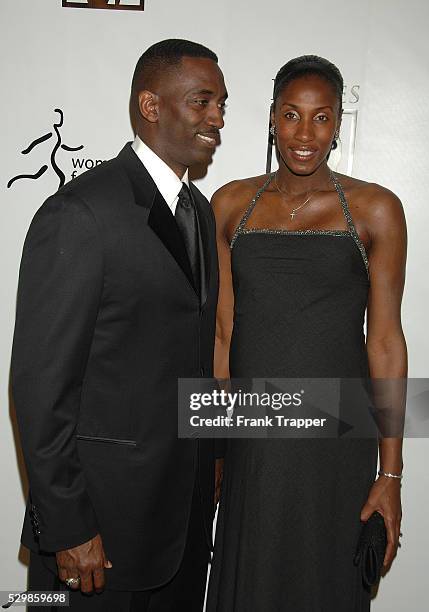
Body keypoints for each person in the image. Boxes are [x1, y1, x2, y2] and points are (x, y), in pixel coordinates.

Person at [11, 38, 228, 611]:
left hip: (179, 528)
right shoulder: (80, 213)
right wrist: (68, 527)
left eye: (222, 104)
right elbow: (40, 388)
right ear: (151, 106)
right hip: (97, 535)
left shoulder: (199, 212)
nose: (217, 118)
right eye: (202, 101)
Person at [206, 55, 405, 611]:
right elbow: (223, 332)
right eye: (292, 115)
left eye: (321, 118)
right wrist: (213, 445)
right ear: (272, 117)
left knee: (323, 583)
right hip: (251, 435)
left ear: (339, 122)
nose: (305, 134)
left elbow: (386, 342)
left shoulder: (377, 209)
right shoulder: (229, 204)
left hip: (335, 440)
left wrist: (391, 471)